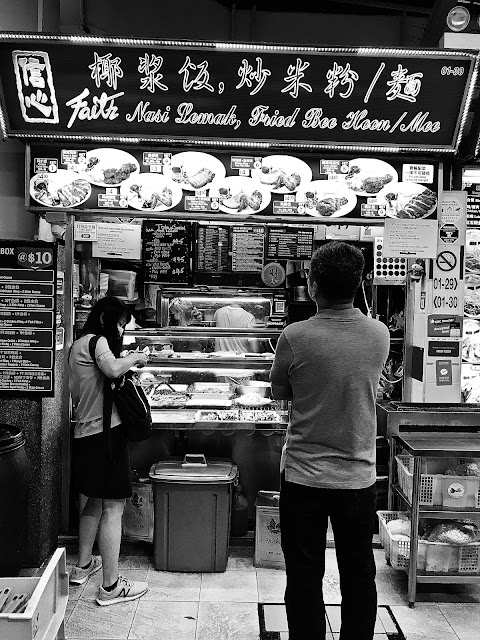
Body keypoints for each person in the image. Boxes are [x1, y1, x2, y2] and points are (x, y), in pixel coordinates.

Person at [270, 241, 390, 640]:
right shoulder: (378, 334)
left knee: (304, 575)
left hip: (304, 477)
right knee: (359, 573)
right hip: (358, 479)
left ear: (312, 282)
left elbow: (279, 391)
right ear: (360, 283)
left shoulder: (295, 336)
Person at [68, 296, 150, 606]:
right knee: (114, 507)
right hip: (107, 435)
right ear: (105, 319)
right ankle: (111, 586)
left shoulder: (76, 345)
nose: (121, 328)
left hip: (84, 431)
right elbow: (113, 369)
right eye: (119, 322)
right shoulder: (98, 341)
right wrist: (135, 357)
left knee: (93, 500)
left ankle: (84, 565)